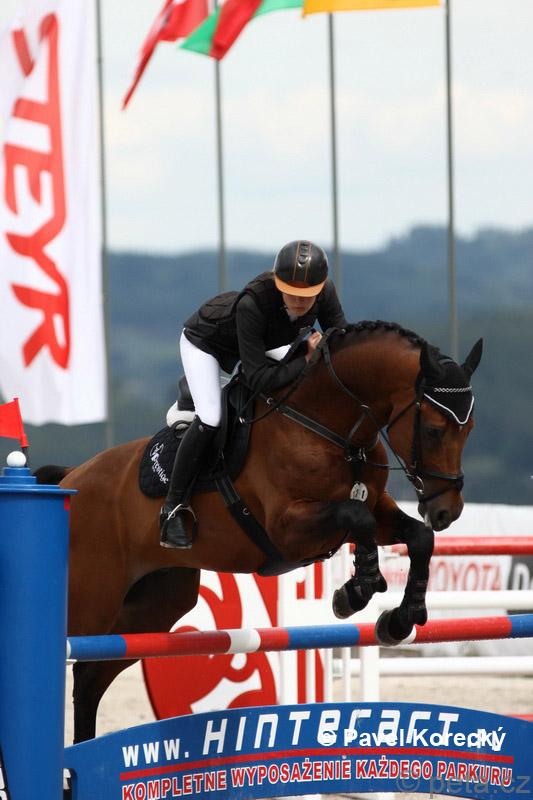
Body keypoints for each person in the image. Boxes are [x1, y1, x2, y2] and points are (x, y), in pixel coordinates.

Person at [160, 239, 349, 549]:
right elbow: (258, 377)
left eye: (307, 296)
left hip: (262, 342)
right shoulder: (253, 303)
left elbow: (341, 341)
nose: (299, 302)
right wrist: (306, 359)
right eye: (291, 293)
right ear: (277, 283)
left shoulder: (324, 291)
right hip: (206, 344)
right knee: (210, 418)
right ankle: (173, 507)